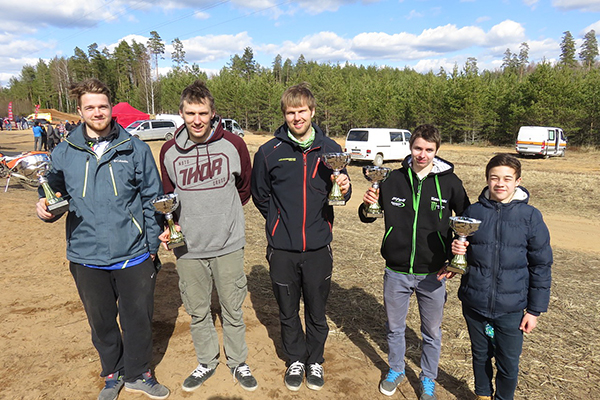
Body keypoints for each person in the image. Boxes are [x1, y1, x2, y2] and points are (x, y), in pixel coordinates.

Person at [35, 78, 170, 400]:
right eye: (90, 107)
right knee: (102, 322)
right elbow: (53, 192)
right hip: (86, 253)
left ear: (111, 108)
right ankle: (112, 373)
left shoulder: (135, 148)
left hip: (133, 253)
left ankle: (139, 373)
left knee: (138, 319)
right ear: (79, 111)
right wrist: (45, 207)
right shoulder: (65, 152)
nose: (97, 112)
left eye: (103, 106)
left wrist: (151, 248)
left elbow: (154, 199)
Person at [158, 80, 258, 393]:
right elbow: (166, 197)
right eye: (190, 113)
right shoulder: (169, 151)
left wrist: (219, 215)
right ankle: (206, 361)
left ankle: (238, 361)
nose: (197, 119)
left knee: (232, 308)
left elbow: (244, 189)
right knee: (197, 310)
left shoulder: (234, 145)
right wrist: (174, 226)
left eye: (203, 113)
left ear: (213, 113)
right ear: (181, 113)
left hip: (228, 243)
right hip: (187, 247)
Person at [251, 83, 351, 392]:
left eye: (302, 111)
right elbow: (260, 195)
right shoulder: (270, 152)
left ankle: (315, 360)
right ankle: (295, 359)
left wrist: (345, 191)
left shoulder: (331, 149)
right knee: (287, 309)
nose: (297, 117)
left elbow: (339, 197)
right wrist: (280, 223)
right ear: (284, 114)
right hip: (282, 248)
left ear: (312, 112)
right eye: (291, 112)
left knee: (317, 310)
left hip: (319, 246)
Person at [360, 124, 470, 400]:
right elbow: (368, 216)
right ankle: (396, 369)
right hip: (396, 270)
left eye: (429, 150)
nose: (422, 154)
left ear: (437, 151)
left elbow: (467, 219)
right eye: (418, 148)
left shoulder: (450, 182)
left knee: (431, 331)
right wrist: (367, 205)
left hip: (434, 273)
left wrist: (459, 251)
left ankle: (428, 378)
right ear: (410, 148)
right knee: (395, 328)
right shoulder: (391, 179)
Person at [450, 154, 552, 400]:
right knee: (480, 355)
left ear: (518, 181)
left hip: (512, 308)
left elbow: (541, 264)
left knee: (508, 363)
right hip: (475, 302)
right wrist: (454, 249)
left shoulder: (530, 216)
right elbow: (460, 251)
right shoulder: (473, 212)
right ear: (487, 179)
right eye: (494, 178)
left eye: (507, 178)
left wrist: (534, 311)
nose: (500, 183)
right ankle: (483, 394)